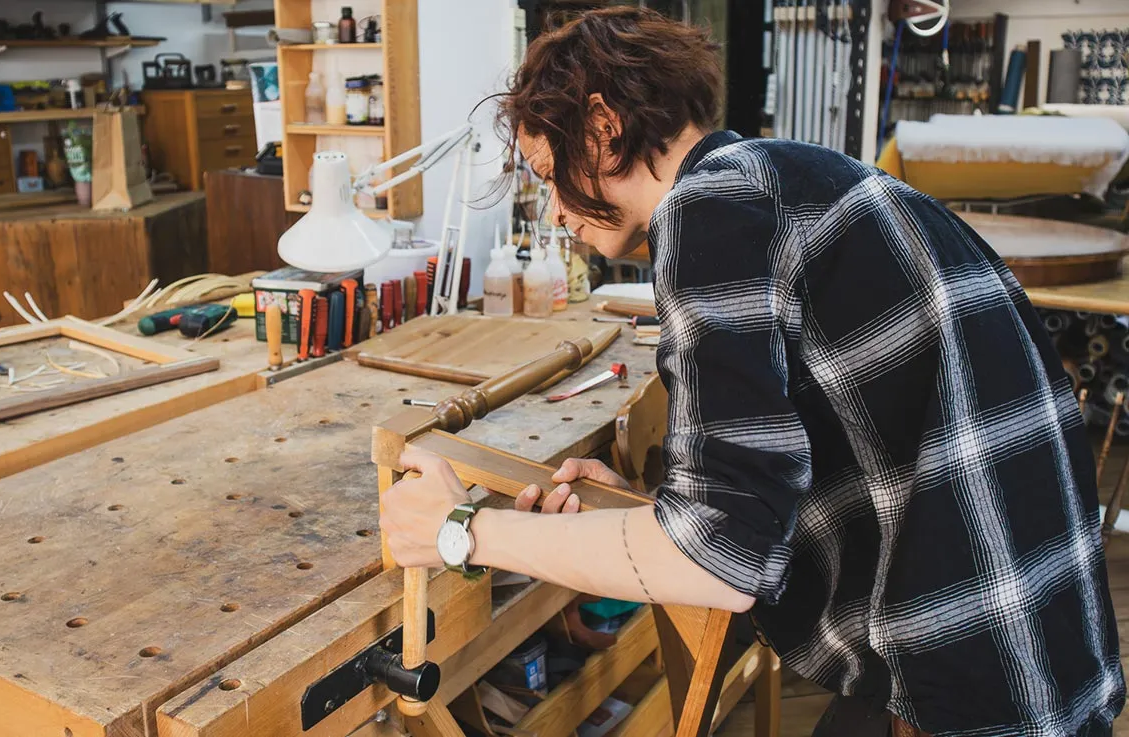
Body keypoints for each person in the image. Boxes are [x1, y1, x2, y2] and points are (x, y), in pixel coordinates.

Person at [380, 7, 1124, 736]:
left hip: (979, 670)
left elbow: (719, 567)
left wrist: (462, 532)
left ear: (603, 129)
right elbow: (778, 483)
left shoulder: (713, 209)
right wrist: (653, 513)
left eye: (548, 173)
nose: (554, 212)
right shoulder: (785, 180)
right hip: (1039, 639)